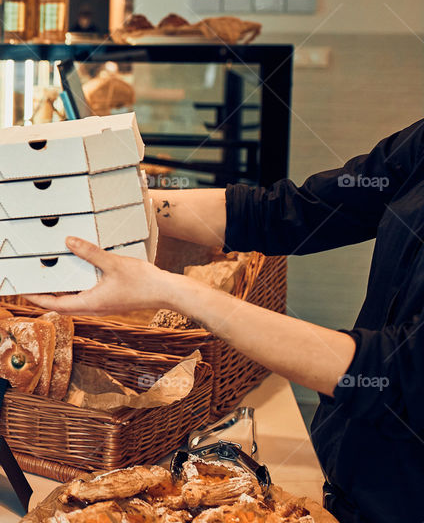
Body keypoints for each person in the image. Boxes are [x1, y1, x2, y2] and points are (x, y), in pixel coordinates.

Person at [30, 119, 424, 523]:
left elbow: (391, 373)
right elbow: (292, 212)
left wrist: (172, 289)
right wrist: (111, 209)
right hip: (346, 470)